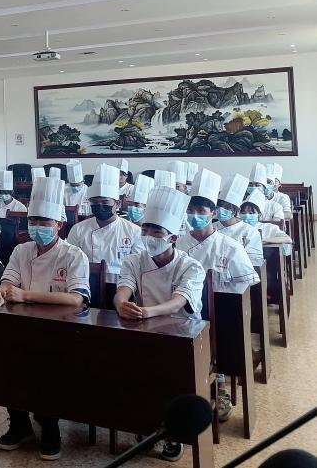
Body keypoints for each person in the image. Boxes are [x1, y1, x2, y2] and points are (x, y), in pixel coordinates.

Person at [0, 175, 90, 461]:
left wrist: (25, 295)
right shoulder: (21, 250)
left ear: (59, 224)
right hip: (22, 324)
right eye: (33, 220)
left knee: (44, 368)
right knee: (5, 361)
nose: (37, 226)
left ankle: (49, 427)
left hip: (62, 330)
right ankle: (19, 424)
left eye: (44, 221)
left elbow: (76, 299)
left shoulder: (73, 255)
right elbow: (8, 282)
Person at [114, 185, 204, 464]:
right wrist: (121, 304)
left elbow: (178, 303)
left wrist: (147, 312)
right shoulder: (134, 260)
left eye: (157, 232)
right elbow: (123, 289)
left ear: (173, 237)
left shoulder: (190, 266)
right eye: (146, 229)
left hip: (183, 333)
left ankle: (171, 432)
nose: (149, 236)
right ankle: (142, 423)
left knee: (169, 375)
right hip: (144, 328)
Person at [176, 168, 259, 422]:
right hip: (183, 312)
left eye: (202, 211)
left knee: (219, 336)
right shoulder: (179, 244)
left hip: (221, 314)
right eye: (191, 210)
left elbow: (246, 288)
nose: (195, 216)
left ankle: (219, 388)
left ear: (213, 213)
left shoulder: (230, 247)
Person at [67, 164, 143, 284]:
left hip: (122, 286)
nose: (100, 205)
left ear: (117, 204)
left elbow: (138, 267)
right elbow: (70, 262)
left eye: (105, 201)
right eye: (95, 202)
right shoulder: (78, 229)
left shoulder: (134, 231)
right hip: (85, 285)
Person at [215, 174, 263, 266]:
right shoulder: (211, 228)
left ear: (237, 211)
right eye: (219, 205)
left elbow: (254, 262)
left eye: (227, 207)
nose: (221, 209)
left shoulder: (249, 231)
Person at [240, 189, 292, 256]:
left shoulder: (268, 227)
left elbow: (288, 239)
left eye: (251, 213)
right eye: (243, 213)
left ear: (259, 215)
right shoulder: (236, 227)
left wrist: (264, 240)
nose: (247, 215)